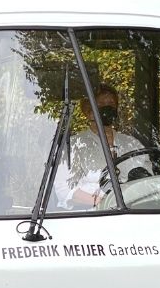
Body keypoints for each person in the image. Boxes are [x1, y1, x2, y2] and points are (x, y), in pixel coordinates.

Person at [53, 83, 152, 211]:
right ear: (88, 113)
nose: (108, 109)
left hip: (136, 213)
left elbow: (149, 182)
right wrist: (106, 204)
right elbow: (65, 190)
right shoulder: (73, 146)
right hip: (95, 217)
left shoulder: (132, 143)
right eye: (101, 105)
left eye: (111, 104)